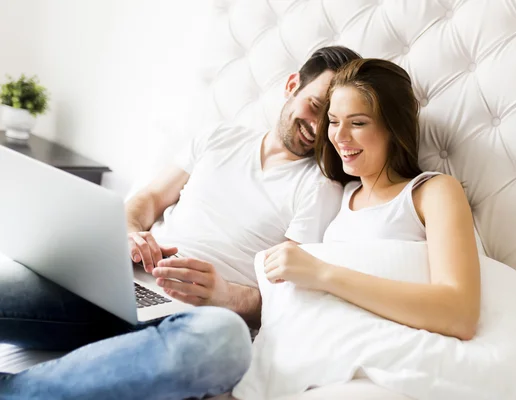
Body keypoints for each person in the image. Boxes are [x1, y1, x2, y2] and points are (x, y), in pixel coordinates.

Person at [0, 46, 362, 400]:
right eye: (314, 106)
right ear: (292, 85)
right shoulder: (221, 137)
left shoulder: (320, 186)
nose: (315, 127)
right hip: (120, 286)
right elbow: (149, 199)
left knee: (224, 339)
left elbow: (288, 299)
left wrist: (224, 295)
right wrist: (129, 234)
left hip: (190, 319)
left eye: (328, 119)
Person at [233, 58, 481, 398]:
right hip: (327, 361)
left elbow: (460, 313)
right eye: (333, 121)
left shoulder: (432, 192)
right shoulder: (339, 195)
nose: (339, 136)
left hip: (396, 365)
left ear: (394, 127)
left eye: (359, 123)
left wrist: (322, 274)